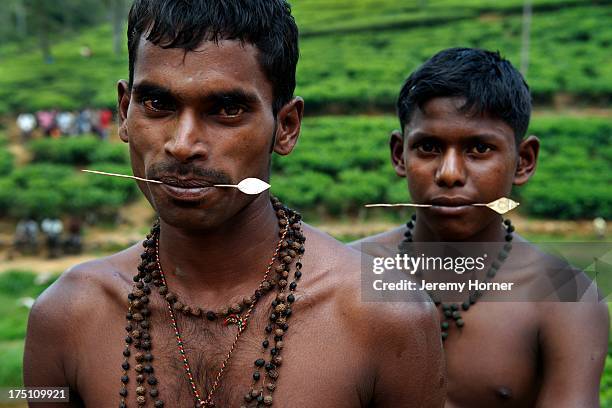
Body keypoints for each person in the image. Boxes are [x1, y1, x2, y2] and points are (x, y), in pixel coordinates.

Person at [24, 1, 445, 407]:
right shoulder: (65, 319)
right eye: (157, 104)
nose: (182, 145)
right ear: (124, 112)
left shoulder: (388, 320)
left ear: (286, 127)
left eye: (226, 109)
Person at [351, 48, 609, 406]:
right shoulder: (351, 272)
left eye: (479, 149)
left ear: (524, 161)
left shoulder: (565, 298)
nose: (450, 173)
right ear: (399, 155)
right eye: (428, 147)